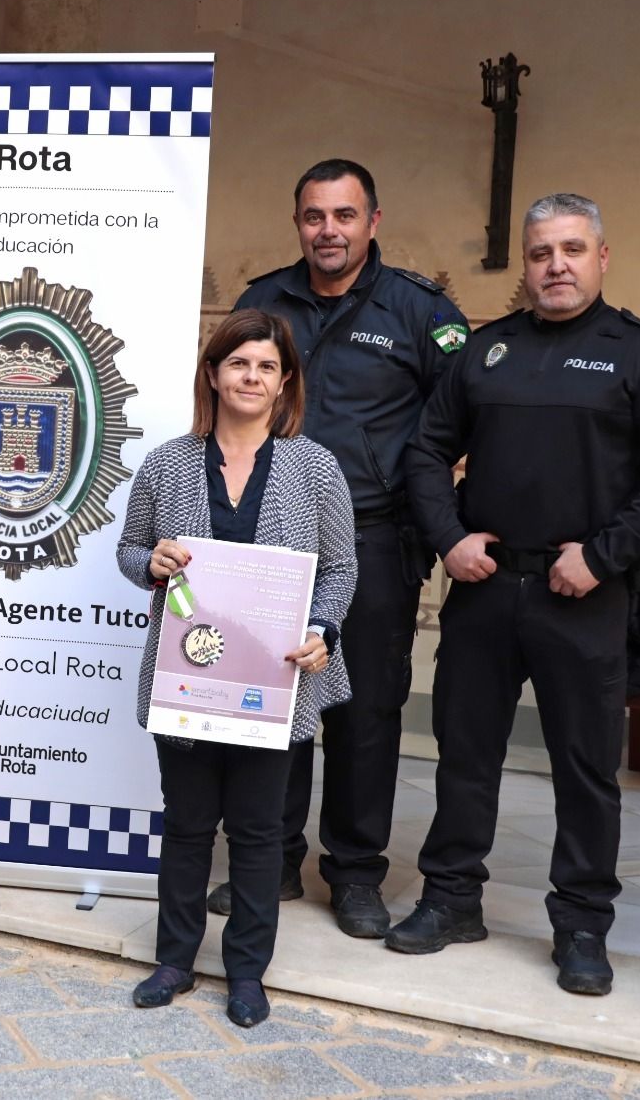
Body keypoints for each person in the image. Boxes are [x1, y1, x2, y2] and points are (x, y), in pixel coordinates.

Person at [386, 193, 640, 995]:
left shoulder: (639, 353)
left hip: (584, 595)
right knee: (466, 756)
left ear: (603, 257)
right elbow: (425, 452)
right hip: (487, 588)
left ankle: (582, 926)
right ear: (525, 265)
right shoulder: (485, 352)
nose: (555, 265)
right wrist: (448, 538)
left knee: (585, 770)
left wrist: (603, 557)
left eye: (571, 249)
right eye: (540, 253)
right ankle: (452, 897)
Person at [212, 158, 471, 939]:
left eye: (345, 215)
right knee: (270, 705)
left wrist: (444, 523)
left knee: (365, 712)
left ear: (373, 222)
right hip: (266, 539)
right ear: (299, 223)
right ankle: (272, 859)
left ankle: (356, 873)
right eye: (314, 216)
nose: (329, 230)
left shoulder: (419, 311)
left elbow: (461, 423)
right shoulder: (265, 300)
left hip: (373, 537)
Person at [116, 309, 357, 1027]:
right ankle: (174, 959)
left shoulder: (314, 465)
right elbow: (130, 549)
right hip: (188, 679)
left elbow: (341, 567)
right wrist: (150, 563)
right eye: (239, 363)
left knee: (258, 832)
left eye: (266, 367)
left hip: (274, 685)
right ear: (214, 374)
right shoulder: (168, 461)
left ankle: (247, 971)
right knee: (187, 823)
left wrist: (324, 629)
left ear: (284, 383)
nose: (251, 377)